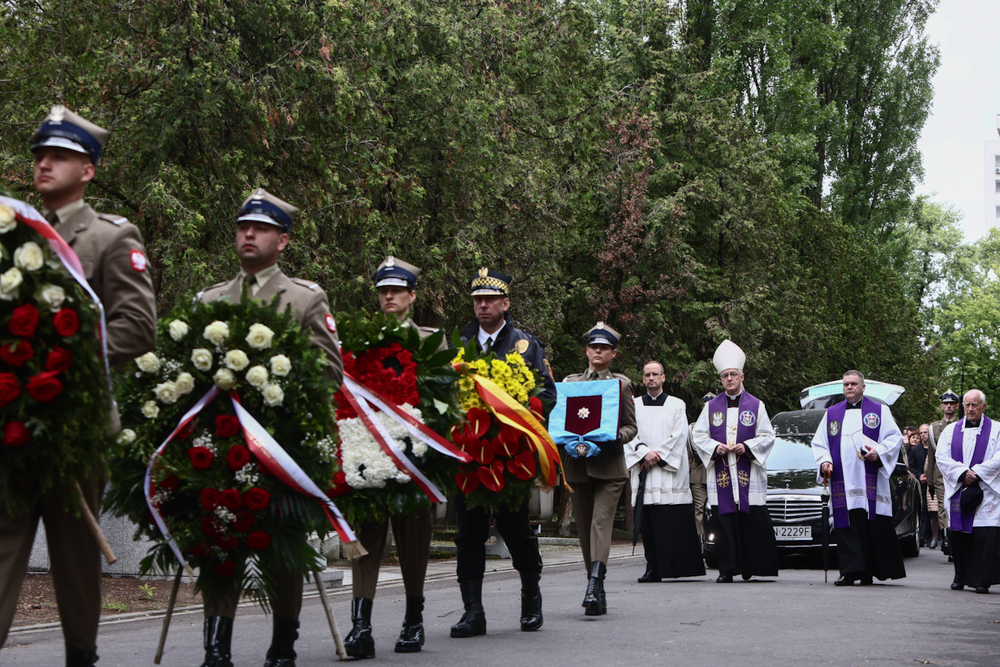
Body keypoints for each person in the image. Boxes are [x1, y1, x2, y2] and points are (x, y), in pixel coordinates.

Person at [0, 105, 157, 667]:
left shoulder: (112, 237)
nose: (44, 164)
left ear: (87, 170)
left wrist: (63, 367)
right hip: (14, 420)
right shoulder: (11, 232)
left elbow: (137, 329)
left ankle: (80, 656)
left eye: (59, 156)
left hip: (76, 425)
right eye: (40, 155)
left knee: (72, 559)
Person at [195, 189, 343, 667]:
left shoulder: (305, 297)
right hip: (223, 444)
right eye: (242, 228)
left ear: (282, 240)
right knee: (221, 543)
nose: (248, 235)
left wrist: (276, 378)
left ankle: (283, 643)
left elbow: (329, 370)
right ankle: (216, 646)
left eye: (259, 229)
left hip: (283, 442)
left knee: (281, 546)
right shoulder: (212, 298)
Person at [342, 256, 444, 657]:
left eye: (396, 290)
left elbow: (441, 400)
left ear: (412, 296)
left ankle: (413, 621)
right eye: (383, 290)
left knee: (414, 540)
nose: (388, 296)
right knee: (366, 539)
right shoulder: (360, 338)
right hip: (367, 452)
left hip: (413, 457)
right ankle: (360, 626)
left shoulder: (431, 339)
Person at [451, 268, 555, 637]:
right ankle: (473, 612)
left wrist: (521, 416)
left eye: (489, 299)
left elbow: (546, 393)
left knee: (516, 528)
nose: (482, 305)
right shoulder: (458, 343)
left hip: (511, 453)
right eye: (477, 299)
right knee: (469, 532)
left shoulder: (526, 345)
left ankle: (531, 597)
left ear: (505, 303)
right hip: (469, 452)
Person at [562, 323, 637, 614]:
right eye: (593, 346)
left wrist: (615, 437)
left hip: (608, 467)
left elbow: (631, 427)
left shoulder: (621, 384)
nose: (597, 351)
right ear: (586, 350)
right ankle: (598, 587)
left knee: (600, 524)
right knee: (584, 531)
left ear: (613, 354)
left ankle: (593, 585)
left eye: (604, 348)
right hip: (578, 465)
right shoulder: (570, 383)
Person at [692, 341, 778, 583]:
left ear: (742, 376)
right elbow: (698, 435)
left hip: (748, 472)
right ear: (721, 380)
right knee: (723, 523)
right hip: (721, 471)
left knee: (751, 521)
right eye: (725, 376)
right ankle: (727, 569)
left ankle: (751, 567)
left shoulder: (756, 405)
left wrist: (748, 446)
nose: (729, 379)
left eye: (733, 375)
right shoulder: (710, 407)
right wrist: (714, 447)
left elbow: (767, 436)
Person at [811, 370, 905, 586]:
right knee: (847, 526)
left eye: (853, 384)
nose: (849, 387)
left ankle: (869, 571)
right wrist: (825, 461)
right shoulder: (832, 414)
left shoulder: (880, 411)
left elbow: (894, 438)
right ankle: (850, 571)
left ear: (863, 387)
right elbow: (819, 443)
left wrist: (878, 452)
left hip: (869, 480)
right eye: (846, 384)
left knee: (870, 525)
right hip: (843, 482)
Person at [624, 361, 705, 582]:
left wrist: (656, 456)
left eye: (655, 374)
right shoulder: (633, 404)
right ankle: (653, 568)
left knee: (670, 523)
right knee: (648, 525)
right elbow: (628, 433)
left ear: (663, 377)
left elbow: (680, 436)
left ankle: (674, 567)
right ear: (642, 379)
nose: (651, 378)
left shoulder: (677, 405)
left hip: (669, 473)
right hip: (644, 471)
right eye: (647, 374)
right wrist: (643, 453)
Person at [936, 390, 1000, 594]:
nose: (971, 409)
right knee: (959, 535)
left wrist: (978, 473)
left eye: (975, 404)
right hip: (960, 490)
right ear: (963, 406)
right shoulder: (950, 431)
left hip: (987, 492)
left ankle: (982, 580)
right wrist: (963, 473)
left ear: (984, 406)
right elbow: (942, 456)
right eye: (967, 405)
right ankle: (960, 576)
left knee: (984, 538)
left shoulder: (997, 430)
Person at [925, 390, 961, 553]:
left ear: (957, 406)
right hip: (940, 475)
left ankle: (955, 538)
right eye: (946, 404)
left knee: (956, 506)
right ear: (942, 406)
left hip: (957, 473)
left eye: (951, 404)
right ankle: (947, 538)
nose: (948, 406)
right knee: (942, 507)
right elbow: (931, 456)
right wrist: (930, 482)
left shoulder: (963, 424)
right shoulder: (933, 428)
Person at [688, 392, 714, 538]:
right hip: (697, 475)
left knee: (716, 508)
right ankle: (701, 538)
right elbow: (690, 455)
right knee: (699, 509)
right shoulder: (693, 429)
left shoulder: (720, 428)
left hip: (715, 473)